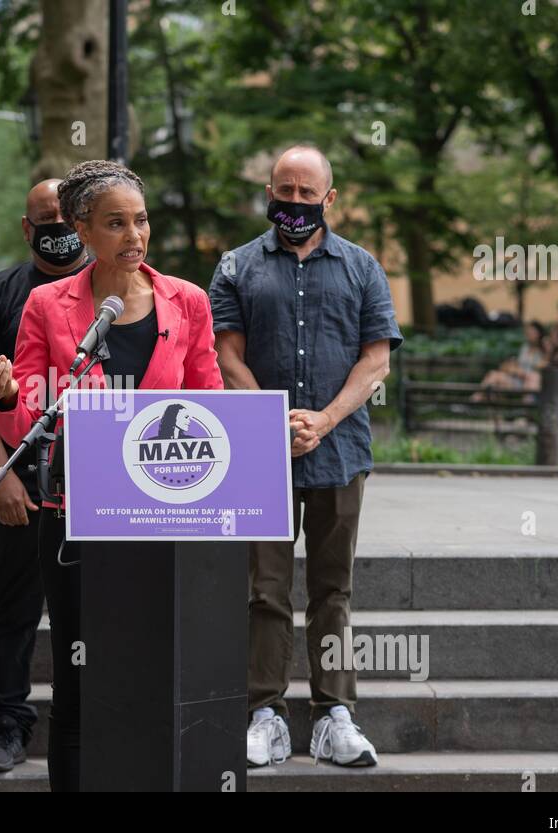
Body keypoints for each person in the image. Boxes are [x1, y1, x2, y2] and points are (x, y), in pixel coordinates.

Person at [0, 160, 223, 791]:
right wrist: (6, 399)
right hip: (73, 515)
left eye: (140, 220)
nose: (134, 235)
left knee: (155, 671)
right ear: (82, 229)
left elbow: (210, 405)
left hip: (166, 517)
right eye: (116, 223)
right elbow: (29, 418)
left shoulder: (188, 302)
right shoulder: (45, 305)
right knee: (80, 676)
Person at [210, 143, 403, 769]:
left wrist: (323, 419)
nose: (293, 202)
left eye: (305, 192)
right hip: (257, 455)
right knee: (263, 589)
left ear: (330, 196)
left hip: (341, 450)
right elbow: (225, 354)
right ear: (269, 192)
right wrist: (271, 418)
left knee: (333, 590)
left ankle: (334, 716)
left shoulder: (362, 267)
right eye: (283, 191)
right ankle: (263, 714)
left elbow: (376, 360)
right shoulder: (237, 266)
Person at [0, 179, 89, 773]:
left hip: (104, 478)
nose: (58, 227)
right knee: (14, 600)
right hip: (26, 476)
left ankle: (91, 715)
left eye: (68, 216)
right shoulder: (0, 296)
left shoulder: (119, 290)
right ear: (26, 227)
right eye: (46, 219)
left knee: (96, 605)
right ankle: (7, 721)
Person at [472, 321, 548, 400]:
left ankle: (525, 409)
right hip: (517, 380)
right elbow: (514, 364)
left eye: (532, 332)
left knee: (532, 379)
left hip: (531, 382)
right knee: (493, 375)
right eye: (528, 332)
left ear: (539, 334)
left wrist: (521, 372)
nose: (529, 334)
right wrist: (515, 370)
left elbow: (542, 366)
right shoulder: (525, 348)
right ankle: (473, 401)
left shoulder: (544, 349)